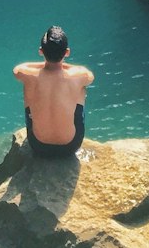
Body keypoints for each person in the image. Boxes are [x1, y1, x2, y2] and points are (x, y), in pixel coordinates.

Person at [13, 25, 94, 159]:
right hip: (70, 146)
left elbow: (18, 68)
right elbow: (88, 74)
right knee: (81, 89)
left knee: (29, 85)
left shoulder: (27, 74)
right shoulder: (79, 76)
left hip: (38, 146)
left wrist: (47, 64)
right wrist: (60, 65)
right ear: (67, 52)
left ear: (41, 51)